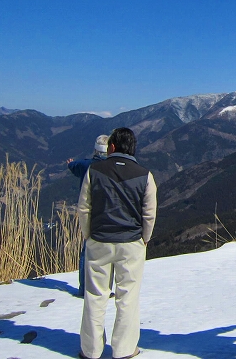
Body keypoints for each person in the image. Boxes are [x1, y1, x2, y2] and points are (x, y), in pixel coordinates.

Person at [77, 127, 157, 359]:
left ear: (112, 147)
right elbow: (149, 214)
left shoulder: (94, 170)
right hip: (131, 243)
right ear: (133, 148)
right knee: (128, 296)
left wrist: (88, 235)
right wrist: (145, 239)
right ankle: (123, 349)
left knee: (95, 295)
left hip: (99, 240)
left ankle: (91, 349)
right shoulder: (145, 175)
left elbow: (84, 207)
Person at [67, 134, 109, 297]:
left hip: (89, 213)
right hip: (108, 213)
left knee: (87, 250)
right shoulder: (113, 168)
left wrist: (70, 164)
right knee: (107, 252)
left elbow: (75, 165)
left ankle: (84, 287)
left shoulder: (86, 166)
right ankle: (104, 287)